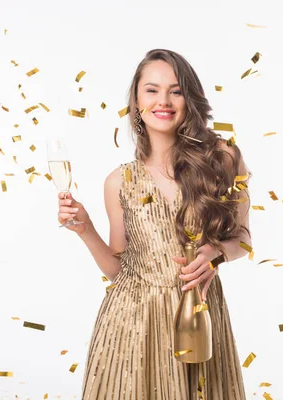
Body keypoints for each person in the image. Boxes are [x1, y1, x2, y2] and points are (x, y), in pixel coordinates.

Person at [58, 49, 251, 400]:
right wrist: (85, 229)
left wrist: (217, 253)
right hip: (133, 326)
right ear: (136, 100)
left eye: (175, 91)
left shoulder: (223, 158)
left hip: (198, 315)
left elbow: (244, 239)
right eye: (152, 90)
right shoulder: (118, 181)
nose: (164, 101)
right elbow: (120, 271)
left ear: (189, 98)